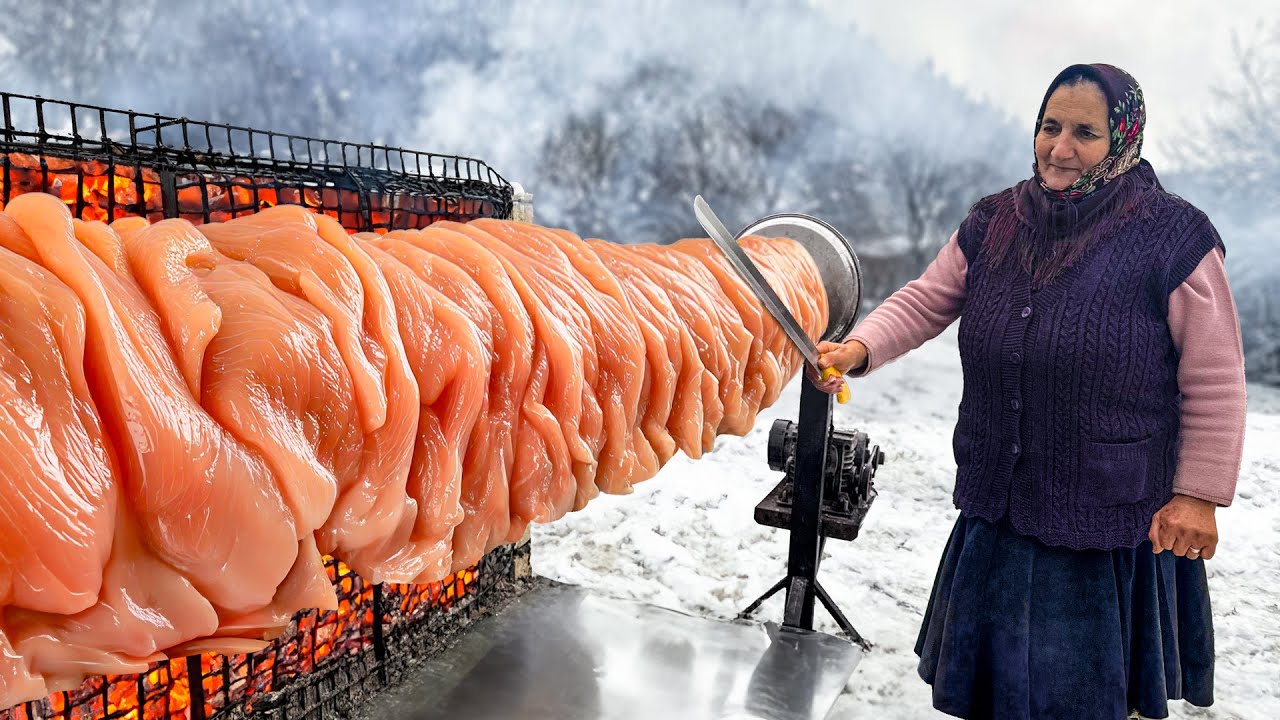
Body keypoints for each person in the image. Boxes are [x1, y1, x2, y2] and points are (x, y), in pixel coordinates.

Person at [813, 63, 1248, 720]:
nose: (1060, 148)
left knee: (1084, 700)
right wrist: (860, 346)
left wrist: (1197, 497)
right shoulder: (996, 220)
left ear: (1123, 141)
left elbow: (1215, 379)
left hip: (1104, 521)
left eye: (1085, 133)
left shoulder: (1173, 236)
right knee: (999, 694)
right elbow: (930, 297)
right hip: (1002, 507)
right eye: (1050, 126)